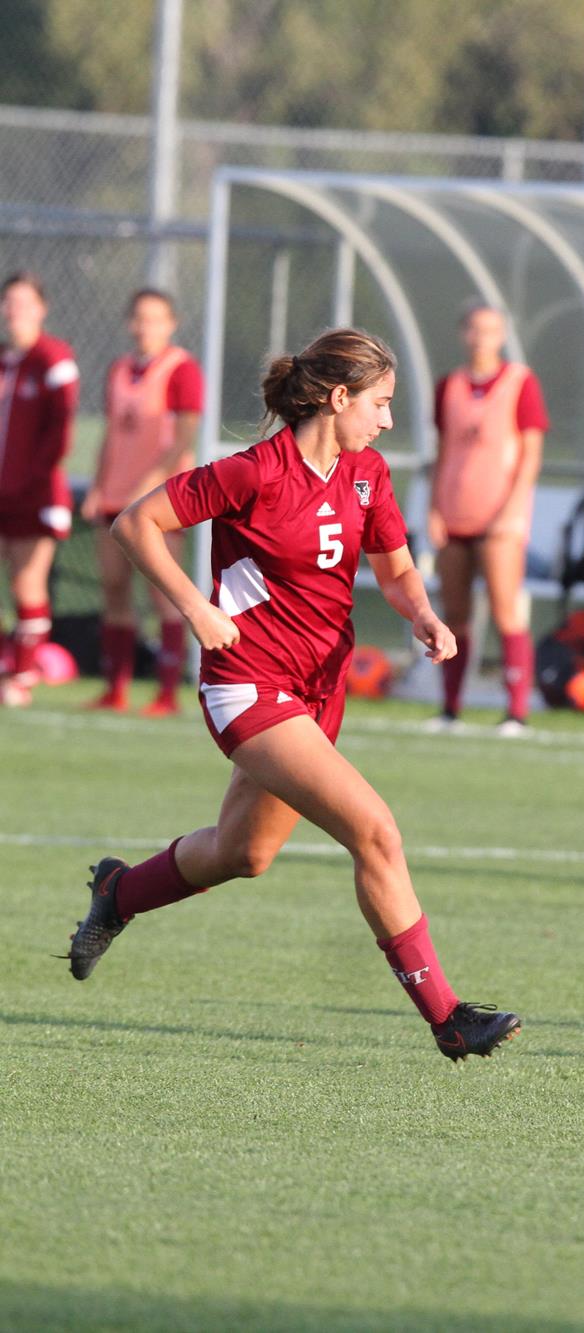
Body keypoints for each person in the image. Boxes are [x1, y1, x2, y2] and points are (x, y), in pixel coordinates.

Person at [64, 328, 520, 1062]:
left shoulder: (366, 472)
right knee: (376, 831)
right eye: (380, 403)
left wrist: (423, 614)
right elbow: (135, 523)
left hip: (319, 691)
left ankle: (119, 893)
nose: (388, 421)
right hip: (248, 685)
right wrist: (196, 608)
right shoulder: (253, 472)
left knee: (243, 853)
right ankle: (448, 1018)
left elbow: (397, 570)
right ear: (338, 398)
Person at [426, 301, 547, 735]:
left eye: (492, 330)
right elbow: (443, 452)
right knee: (454, 613)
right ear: (464, 334)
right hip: (455, 513)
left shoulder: (519, 382)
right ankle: (450, 709)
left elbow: (530, 454)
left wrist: (512, 509)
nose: (482, 339)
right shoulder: (450, 386)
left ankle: (516, 711)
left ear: (503, 336)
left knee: (505, 610)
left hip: (500, 518)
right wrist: (434, 508)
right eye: (475, 329)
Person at [82, 288, 204, 715]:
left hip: (159, 501)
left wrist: (149, 484)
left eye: (154, 318)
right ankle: (115, 689)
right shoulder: (119, 369)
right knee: (114, 587)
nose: (144, 326)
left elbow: (184, 437)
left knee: (163, 592)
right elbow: (112, 433)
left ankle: (167, 693)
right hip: (115, 495)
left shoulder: (182, 369)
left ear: (171, 324)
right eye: (138, 317)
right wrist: (98, 486)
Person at [0, 271, 79, 708]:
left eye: (24, 303)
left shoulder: (52, 358)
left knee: (27, 583)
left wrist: (32, 478)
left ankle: (22, 676)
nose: (16, 311)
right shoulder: (5, 361)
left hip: (35, 493)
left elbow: (61, 428)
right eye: (9, 302)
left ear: (41, 309)